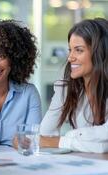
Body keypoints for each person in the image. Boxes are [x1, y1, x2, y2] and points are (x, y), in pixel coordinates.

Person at [38, 18, 108, 153]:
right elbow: (45, 134)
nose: (70, 57)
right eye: (70, 50)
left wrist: (67, 138)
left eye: (79, 50)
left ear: (99, 53)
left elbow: (105, 145)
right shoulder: (67, 87)